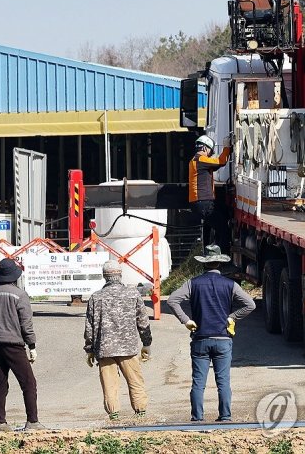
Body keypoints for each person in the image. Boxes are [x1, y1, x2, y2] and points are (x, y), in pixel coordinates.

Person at [167, 245, 256, 422]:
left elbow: (172, 300)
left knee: (198, 382)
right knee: (223, 382)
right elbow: (250, 305)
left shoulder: (193, 283)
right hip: (222, 338)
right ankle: (225, 416)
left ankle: (197, 418)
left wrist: (186, 320)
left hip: (200, 339)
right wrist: (232, 317)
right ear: (220, 263)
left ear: (204, 263)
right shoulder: (230, 285)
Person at [0, 258, 45, 432]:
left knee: (0, 383)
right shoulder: (19, 295)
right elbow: (26, 324)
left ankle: (0, 422)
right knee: (28, 383)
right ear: (14, 276)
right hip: (13, 344)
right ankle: (32, 421)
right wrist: (32, 345)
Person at [84, 260, 152, 421]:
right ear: (120, 275)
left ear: (104, 276)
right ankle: (141, 412)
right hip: (128, 348)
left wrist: (89, 349)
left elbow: (89, 327)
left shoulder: (96, 297)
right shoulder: (132, 294)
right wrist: (146, 343)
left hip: (104, 349)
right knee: (135, 380)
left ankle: (114, 415)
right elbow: (143, 321)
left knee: (109, 384)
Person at [188, 135, 231, 249]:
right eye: (210, 152)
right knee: (223, 228)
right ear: (204, 148)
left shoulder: (194, 160)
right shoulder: (201, 159)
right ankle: (224, 254)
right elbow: (221, 161)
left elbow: (215, 166)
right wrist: (227, 148)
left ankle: (207, 251)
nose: (210, 155)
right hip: (204, 203)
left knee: (210, 226)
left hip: (198, 203)